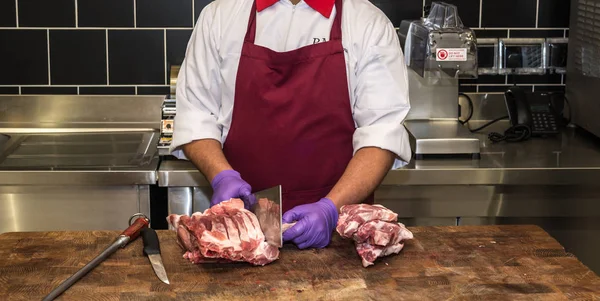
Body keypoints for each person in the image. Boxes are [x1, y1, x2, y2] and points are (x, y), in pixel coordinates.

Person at [171, 0, 411, 250]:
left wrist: (330, 209)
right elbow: (196, 115)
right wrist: (221, 175)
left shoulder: (367, 23)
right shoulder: (220, 17)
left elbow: (382, 134)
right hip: (243, 234)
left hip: (340, 234)